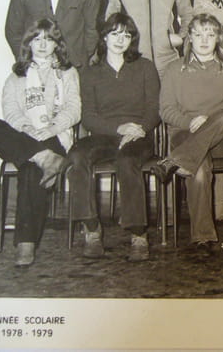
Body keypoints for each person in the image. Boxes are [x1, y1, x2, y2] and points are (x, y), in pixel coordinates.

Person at [0, 19, 80, 266]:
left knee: (30, 168)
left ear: (56, 44)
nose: (42, 44)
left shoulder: (67, 73)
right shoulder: (16, 76)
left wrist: (50, 129)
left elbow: (73, 109)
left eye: (49, 39)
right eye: (37, 39)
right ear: (28, 44)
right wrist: (28, 129)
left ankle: (26, 243)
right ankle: (45, 158)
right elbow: (11, 112)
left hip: (55, 135)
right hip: (25, 135)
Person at [67, 13, 160, 262]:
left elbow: (154, 109)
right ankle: (91, 229)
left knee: (127, 161)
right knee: (77, 155)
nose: (120, 40)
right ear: (104, 37)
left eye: (126, 35)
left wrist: (139, 129)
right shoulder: (91, 72)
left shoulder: (145, 67)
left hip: (139, 135)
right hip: (105, 135)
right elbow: (88, 116)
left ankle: (138, 235)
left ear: (132, 40)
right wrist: (119, 128)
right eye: (115, 34)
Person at [153, 14, 223, 253]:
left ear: (218, 38)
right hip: (185, 134)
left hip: (222, 137)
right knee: (199, 167)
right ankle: (202, 238)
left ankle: (175, 161)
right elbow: (166, 110)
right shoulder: (174, 69)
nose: (204, 40)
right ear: (189, 37)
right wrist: (190, 121)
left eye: (210, 35)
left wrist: (207, 122)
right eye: (198, 34)